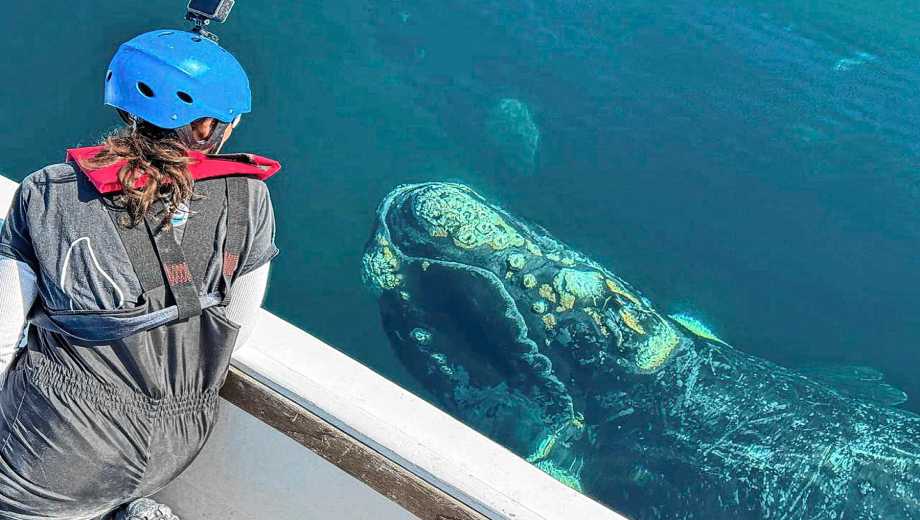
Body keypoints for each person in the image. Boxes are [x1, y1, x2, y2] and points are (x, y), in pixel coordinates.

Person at [0, 29, 280, 520]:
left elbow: (2, 336)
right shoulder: (250, 198)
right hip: (177, 441)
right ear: (205, 128)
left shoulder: (47, 192)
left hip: (58, 448)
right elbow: (236, 333)